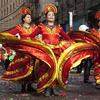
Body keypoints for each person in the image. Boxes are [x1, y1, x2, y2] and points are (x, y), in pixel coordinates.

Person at [31, 3, 71, 96]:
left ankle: (53, 88)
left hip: (56, 51)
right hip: (46, 52)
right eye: (49, 15)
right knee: (46, 69)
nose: (51, 16)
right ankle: (47, 88)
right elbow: (31, 36)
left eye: (53, 15)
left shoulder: (59, 28)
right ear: (46, 17)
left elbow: (67, 38)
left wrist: (67, 44)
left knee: (56, 69)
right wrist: (39, 43)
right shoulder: (41, 27)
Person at [2, 7, 38, 92]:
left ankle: (30, 86)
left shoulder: (34, 27)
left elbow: (38, 35)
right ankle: (23, 86)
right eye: (28, 17)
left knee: (32, 68)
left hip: (32, 51)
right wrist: (3, 37)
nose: (30, 19)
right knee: (23, 68)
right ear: (24, 19)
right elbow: (10, 34)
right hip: (22, 52)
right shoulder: (19, 28)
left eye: (30, 17)